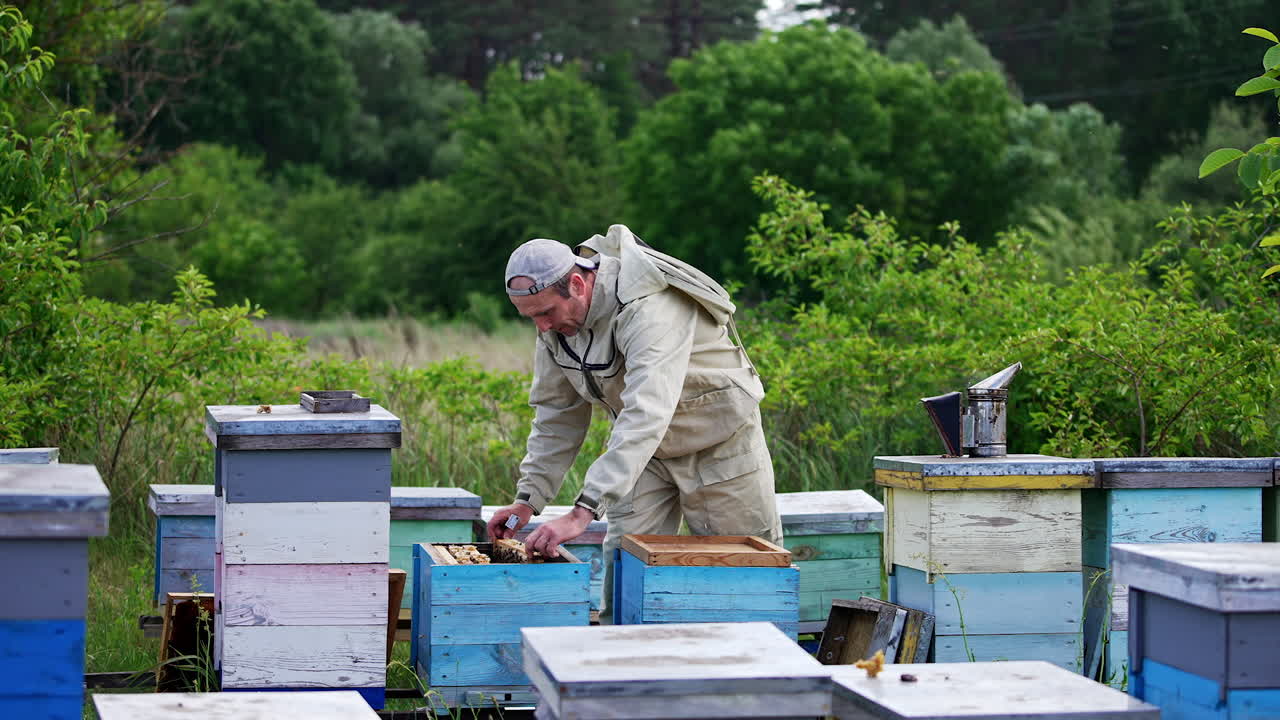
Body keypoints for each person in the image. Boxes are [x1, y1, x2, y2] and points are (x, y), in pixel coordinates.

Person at [486, 224, 782, 622]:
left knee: (743, 575)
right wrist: (529, 499)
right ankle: (628, 676)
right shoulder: (555, 327)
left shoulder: (648, 304)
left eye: (545, 314)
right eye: (530, 318)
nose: (541, 327)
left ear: (576, 283)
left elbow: (648, 409)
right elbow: (557, 415)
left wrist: (582, 511)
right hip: (645, 456)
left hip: (720, 443)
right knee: (626, 575)